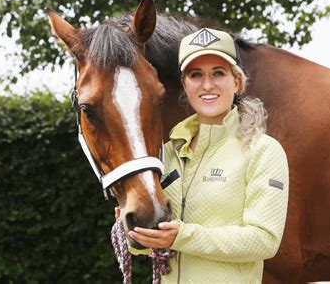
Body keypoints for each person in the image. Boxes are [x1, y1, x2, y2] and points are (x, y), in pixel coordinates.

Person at [121, 27, 289, 283]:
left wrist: (182, 237)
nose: (207, 85)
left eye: (218, 73)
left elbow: (264, 240)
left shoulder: (263, 151)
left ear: (237, 81)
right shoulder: (167, 152)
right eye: (196, 74)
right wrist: (136, 236)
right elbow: (154, 244)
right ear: (185, 85)